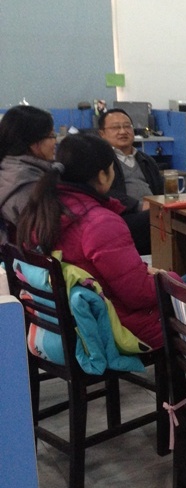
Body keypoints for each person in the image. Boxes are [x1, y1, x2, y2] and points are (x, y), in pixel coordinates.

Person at [16, 134, 171, 349]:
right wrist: (171, 279)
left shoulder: (41, 212)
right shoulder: (100, 223)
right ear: (102, 175)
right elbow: (138, 296)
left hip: (64, 328)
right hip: (113, 330)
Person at [98, 108, 164, 254]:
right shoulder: (101, 161)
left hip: (152, 211)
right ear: (102, 134)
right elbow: (103, 192)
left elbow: (160, 190)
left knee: (178, 218)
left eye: (127, 126)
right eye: (115, 127)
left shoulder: (147, 160)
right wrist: (138, 206)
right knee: (159, 219)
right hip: (123, 215)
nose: (123, 131)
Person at [0, 105, 58, 241]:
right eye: (51, 135)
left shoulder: (8, 168)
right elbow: (45, 237)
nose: (55, 141)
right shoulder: (30, 186)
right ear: (34, 144)